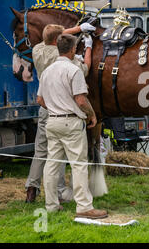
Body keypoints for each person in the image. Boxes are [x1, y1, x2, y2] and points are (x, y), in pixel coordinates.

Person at [37, 34, 107, 219]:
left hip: (52, 121)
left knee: (52, 164)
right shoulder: (74, 70)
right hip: (71, 122)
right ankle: (84, 206)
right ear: (73, 49)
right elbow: (81, 100)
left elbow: (39, 99)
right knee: (79, 164)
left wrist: (55, 107)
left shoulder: (47, 71)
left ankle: (51, 205)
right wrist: (91, 115)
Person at [25, 22, 95, 203]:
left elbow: (55, 36)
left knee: (41, 152)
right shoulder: (67, 59)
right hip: (64, 110)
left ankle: (31, 189)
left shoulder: (37, 51)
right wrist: (88, 47)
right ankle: (61, 192)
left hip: (46, 109)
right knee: (62, 155)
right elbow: (86, 68)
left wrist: (77, 29)